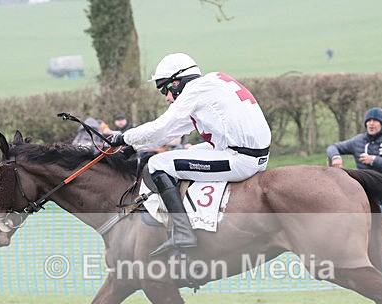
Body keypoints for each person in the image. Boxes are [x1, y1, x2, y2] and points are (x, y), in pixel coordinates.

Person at [108, 52, 271, 257]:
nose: (167, 97)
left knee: (158, 164)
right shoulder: (211, 83)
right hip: (243, 152)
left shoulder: (194, 91)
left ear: (178, 81)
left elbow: (162, 126)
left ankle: (184, 233)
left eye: (166, 89)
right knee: (182, 153)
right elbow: (174, 130)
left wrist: (123, 138)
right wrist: (133, 147)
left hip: (240, 160)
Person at [326, 107, 382, 278]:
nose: (371, 123)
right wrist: (336, 157)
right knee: (363, 242)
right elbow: (333, 147)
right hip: (365, 201)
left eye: (375, 121)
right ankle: (371, 277)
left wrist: (375, 160)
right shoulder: (358, 141)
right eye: (368, 121)